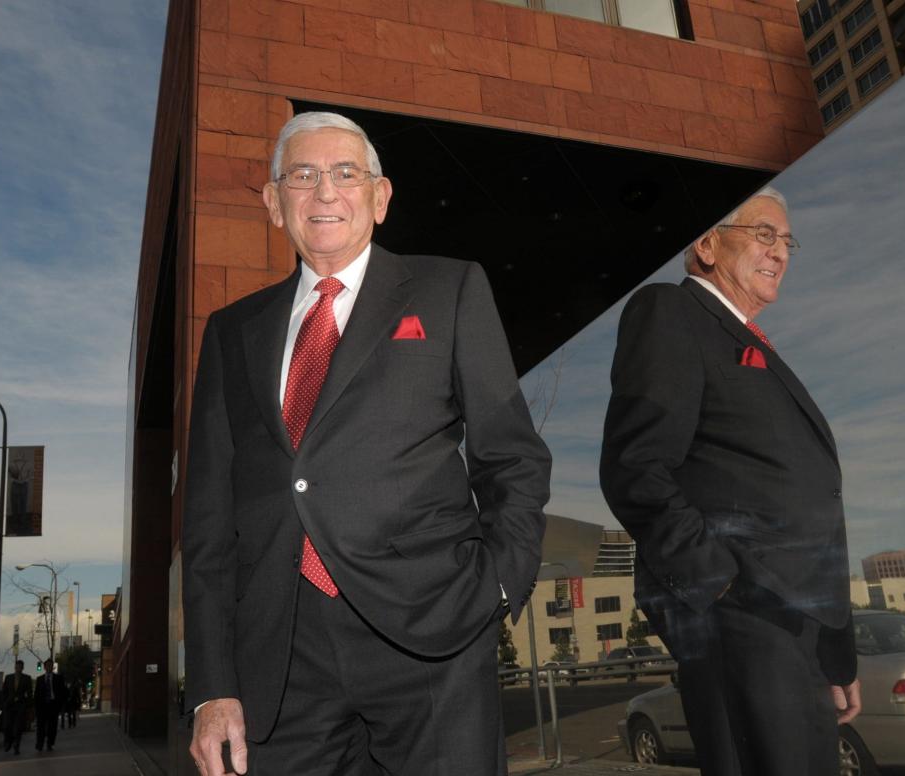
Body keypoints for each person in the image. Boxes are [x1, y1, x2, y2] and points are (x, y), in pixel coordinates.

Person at [183, 111, 551, 776]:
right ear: (273, 202)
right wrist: (212, 685)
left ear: (380, 198)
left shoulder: (449, 290)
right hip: (279, 659)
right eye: (302, 176)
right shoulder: (231, 331)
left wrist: (499, 583)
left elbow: (513, 456)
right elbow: (208, 523)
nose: (325, 192)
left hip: (431, 636)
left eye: (345, 173)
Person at [599, 187, 860, 776]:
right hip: (739, 621)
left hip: (796, 630)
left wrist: (833, 653)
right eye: (764, 234)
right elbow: (635, 466)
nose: (781, 252)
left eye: (787, 241)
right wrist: (719, 588)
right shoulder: (670, 311)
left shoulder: (749, 341)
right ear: (708, 243)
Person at [33, 658, 67, 752]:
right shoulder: (39, 679)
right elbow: (36, 694)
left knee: (52, 726)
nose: (49, 667)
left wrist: (60, 704)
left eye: (51, 665)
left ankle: (50, 743)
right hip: (42, 705)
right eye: (47, 665)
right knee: (41, 726)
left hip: (53, 704)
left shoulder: (58, 678)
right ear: (44, 667)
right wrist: (36, 707)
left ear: (53, 667)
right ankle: (39, 744)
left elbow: (63, 692)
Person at [1, 660, 32, 755]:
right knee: (7, 726)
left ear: (22, 668)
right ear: (15, 667)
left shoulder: (26, 678)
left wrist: (27, 704)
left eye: (20, 667)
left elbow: (30, 693)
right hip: (9, 705)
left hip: (20, 705)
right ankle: (8, 742)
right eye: (17, 666)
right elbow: (4, 691)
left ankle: (16, 745)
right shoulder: (8, 677)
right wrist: (5, 702)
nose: (18, 668)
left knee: (18, 727)